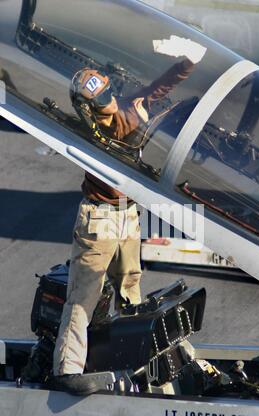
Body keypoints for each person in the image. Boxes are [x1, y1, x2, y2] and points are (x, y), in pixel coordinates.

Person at [52, 36, 207, 395]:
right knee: (83, 293)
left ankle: (135, 356)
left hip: (127, 214)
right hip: (99, 218)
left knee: (131, 289)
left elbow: (158, 89)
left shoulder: (125, 110)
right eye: (101, 101)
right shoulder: (94, 128)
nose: (107, 104)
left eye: (106, 96)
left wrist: (186, 62)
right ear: (89, 107)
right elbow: (141, 105)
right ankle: (68, 368)